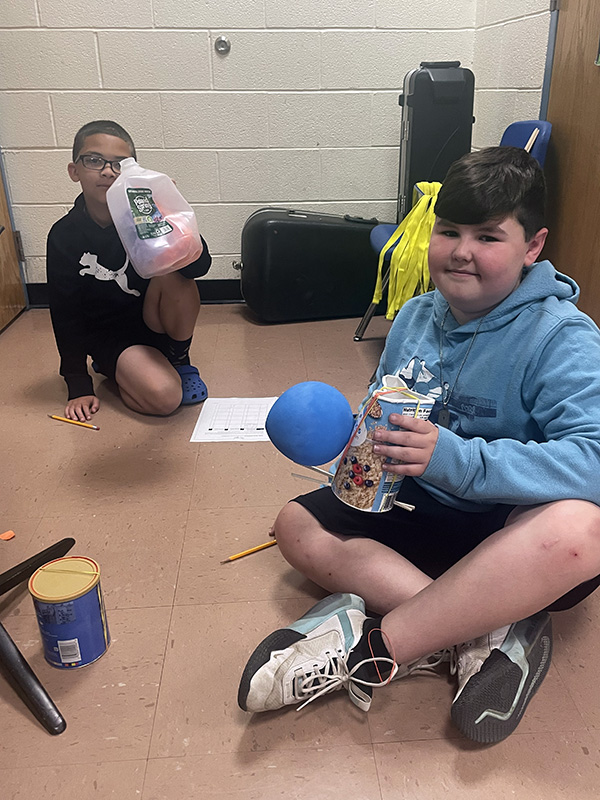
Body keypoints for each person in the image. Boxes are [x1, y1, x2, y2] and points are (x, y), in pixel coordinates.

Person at [237, 146, 600, 743]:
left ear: (532, 247)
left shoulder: (560, 336)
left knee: (580, 532)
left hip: (507, 530)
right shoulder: (412, 316)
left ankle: (379, 644)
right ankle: (484, 632)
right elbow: (392, 408)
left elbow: (590, 462)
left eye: (488, 236)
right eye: (448, 231)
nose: (460, 250)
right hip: (418, 506)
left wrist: (455, 459)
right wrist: (354, 443)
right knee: (294, 526)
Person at [47, 120, 211, 419]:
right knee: (165, 399)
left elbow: (198, 267)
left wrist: (169, 212)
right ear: (75, 171)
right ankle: (119, 370)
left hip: (154, 319)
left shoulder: (146, 215)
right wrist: (78, 382)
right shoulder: (64, 236)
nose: (108, 171)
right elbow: (64, 311)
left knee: (173, 271)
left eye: (119, 164)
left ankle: (178, 358)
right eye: (94, 160)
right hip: (110, 337)